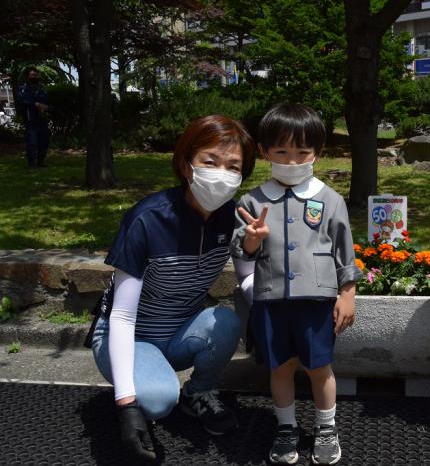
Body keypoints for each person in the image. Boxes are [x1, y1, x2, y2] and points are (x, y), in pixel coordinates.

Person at [90, 115, 256, 461]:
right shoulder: (147, 218)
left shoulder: (234, 217)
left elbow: (248, 279)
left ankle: (197, 394)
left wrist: (283, 311)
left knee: (225, 322)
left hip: (180, 330)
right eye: (210, 162)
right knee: (156, 400)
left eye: (233, 166)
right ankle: (137, 390)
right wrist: (126, 405)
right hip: (129, 336)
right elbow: (120, 316)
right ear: (186, 164)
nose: (221, 173)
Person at [230, 103, 361, 465]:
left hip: (316, 302)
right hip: (270, 300)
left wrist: (347, 293)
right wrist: (253, 239)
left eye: (302, 153)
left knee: (320, 368)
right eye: (282, 152)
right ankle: (286, 427)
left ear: (317, 153)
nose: (292, 161)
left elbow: (343, 249)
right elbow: (241, 249)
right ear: (264, 151)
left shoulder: (330, 199)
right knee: (280, 367)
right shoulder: (251, 200)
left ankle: (326, 427)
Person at [17, 67, 50, 167]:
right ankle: (31, 163)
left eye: (35, 75)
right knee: (32, 142)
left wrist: (46, 107)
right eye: (32, 75)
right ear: (27, 76)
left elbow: (46, 101)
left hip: (42, 118)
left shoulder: (41, 89)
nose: (34, 77)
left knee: (44, 142)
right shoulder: (22, 89)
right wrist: (35, 104)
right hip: (30, 119)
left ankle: (41, 161)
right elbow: (22, 101)